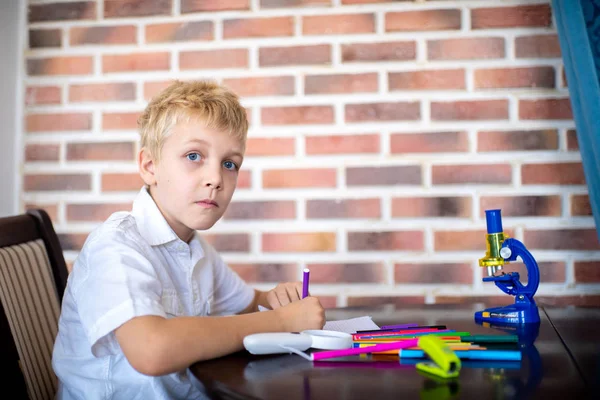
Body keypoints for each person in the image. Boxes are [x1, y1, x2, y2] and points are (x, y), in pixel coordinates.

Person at [52, 80, 325, 399]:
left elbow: (248, 303)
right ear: (149, 166)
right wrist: (278, 322)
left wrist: (275, 299)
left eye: (229, 164)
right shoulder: (116, 245)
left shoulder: (195, 249)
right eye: (194, 155)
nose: (216, 179)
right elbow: (151, 350)